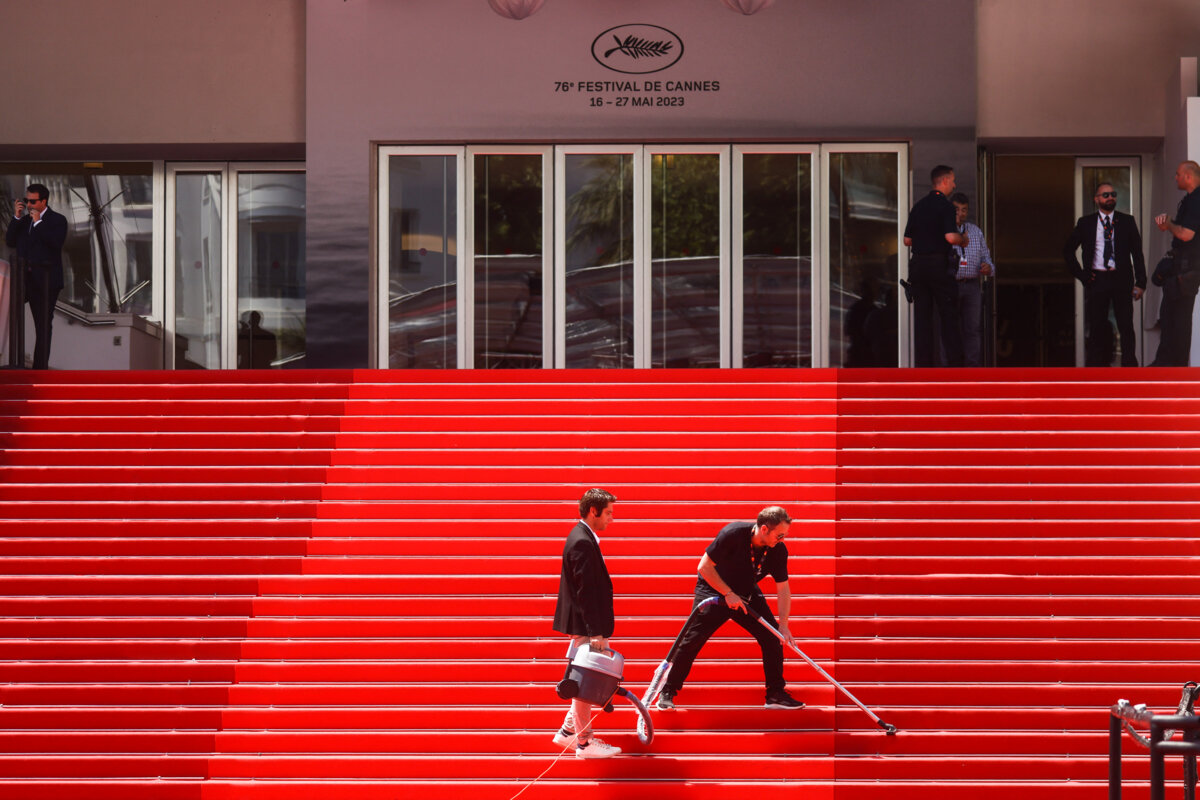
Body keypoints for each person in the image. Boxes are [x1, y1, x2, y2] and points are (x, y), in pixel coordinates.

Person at [655, 506, 804, 711]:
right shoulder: (733, 534)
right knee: (692, 639)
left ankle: (775, 694)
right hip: (713, 589)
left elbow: (783, 588)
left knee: (772, 636)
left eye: (785, 535)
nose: (782, 539)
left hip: (745, 591)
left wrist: (784, 626)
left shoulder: (777, 549)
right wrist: (727, 593)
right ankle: (668, 691)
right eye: (779, 534)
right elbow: (704, 567)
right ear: (764, 529)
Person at [551, 488, 621, 759]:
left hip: (584, 625)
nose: (611, 519)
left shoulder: (583, 537)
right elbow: (586, 592)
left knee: (586, 679)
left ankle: (568, 732)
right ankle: (584, 742)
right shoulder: (581, 541)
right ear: (594, 511)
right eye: (609, 513)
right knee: (586, 682)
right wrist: (596, 633)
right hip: (586, 627)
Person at [1063, 182, 1146, 367]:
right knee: (1097, 324)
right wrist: (1083, 275)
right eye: (1106, 195)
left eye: (1113, 194)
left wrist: (1141, 282)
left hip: (1121, 278)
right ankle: (1095, 367)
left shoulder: (1127, 221)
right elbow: (1068, 251)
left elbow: (1137, 254)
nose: (1110, 198)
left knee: (1125, 324)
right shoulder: (1086, 223)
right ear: (1097, 199)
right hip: (1097, 278)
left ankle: (1129, 366)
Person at [904, 166, 967, 367]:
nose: (955, 184)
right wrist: (963, 239)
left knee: (923, 318)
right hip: (939, 266)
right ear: (945, 181)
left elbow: (907, 240)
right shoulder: (946, 207)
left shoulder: (918, 206)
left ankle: (924, 366)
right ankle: (955, 365)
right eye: (953, 180)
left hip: (919, 267)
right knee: (948, 315)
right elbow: (950, 237)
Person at [6, 184, 68, 369]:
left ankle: (40, 368)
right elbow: (10, 241)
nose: (29, 205)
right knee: (9, 315)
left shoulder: (57, 220)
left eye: (33, 201)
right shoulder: (24, 221)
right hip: (24, 279)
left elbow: (55, 244)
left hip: (46, 281)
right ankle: (12, 360)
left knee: (42, 324)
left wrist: (39, 223)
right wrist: (16, 217)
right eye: (26, 201)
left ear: (43, 201)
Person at [1149, 161, 1200, 367]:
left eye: (1178, 174)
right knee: (1171, 313)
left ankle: (1171, 365)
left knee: (1176, 317)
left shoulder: (1196, 200)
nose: (1176, 178)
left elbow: (1186, 234)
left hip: (1188, 266)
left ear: (1188, 176)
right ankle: (1168, 363)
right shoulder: (1191, 200)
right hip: (1184, 265)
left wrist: (1169, 223)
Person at [949, 193, 995, 367]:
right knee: (949, 327)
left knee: (973, 328)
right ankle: (948, 369)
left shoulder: (976, 231)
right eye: (956, 210)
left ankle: (972, 368)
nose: (960, 214)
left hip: (972, 285)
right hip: (951, 284)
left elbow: (987, 259)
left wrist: (988, 267)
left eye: (964, 210)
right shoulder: (943, 231)